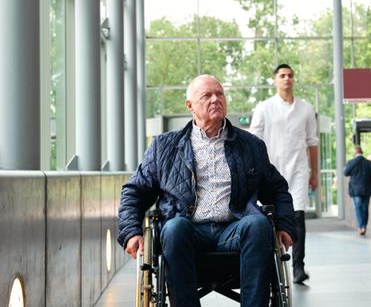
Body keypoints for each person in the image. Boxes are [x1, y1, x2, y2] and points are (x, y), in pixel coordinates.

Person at [117, 75, 297, 307]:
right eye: (207, 96)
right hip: (188, 230)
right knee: (173, 228)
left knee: (258, 224)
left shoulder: (251, 145)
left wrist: (285, 225)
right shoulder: (164, 147)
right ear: (190, 106)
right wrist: (131, 232)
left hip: (235, 229)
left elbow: (278, 189)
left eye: (219, 94)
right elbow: (134, 191)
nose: (215, 100)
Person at [249, 63, 319, 284]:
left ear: (293, 79)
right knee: (269, 216)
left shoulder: (306, 109)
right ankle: (270, 262)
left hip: (298, 169)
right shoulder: (264, 108)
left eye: (290, 75)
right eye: (282, 75)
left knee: (298, 216)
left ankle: (298, 266)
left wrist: (314, 172)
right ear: (275, 80)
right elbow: (253, 140)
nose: (287, 79)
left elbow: (312, 142)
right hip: (270, 171)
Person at [343, 145, 371, 236]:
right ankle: (364, 226)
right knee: (365, 208)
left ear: (354, 153)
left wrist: (345, 167)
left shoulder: (351, 162)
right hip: (366, 189)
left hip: (355, 190)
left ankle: (361, 227)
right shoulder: (369, 163)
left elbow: (345, 173)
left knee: (358, 208)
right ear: (362, 152)